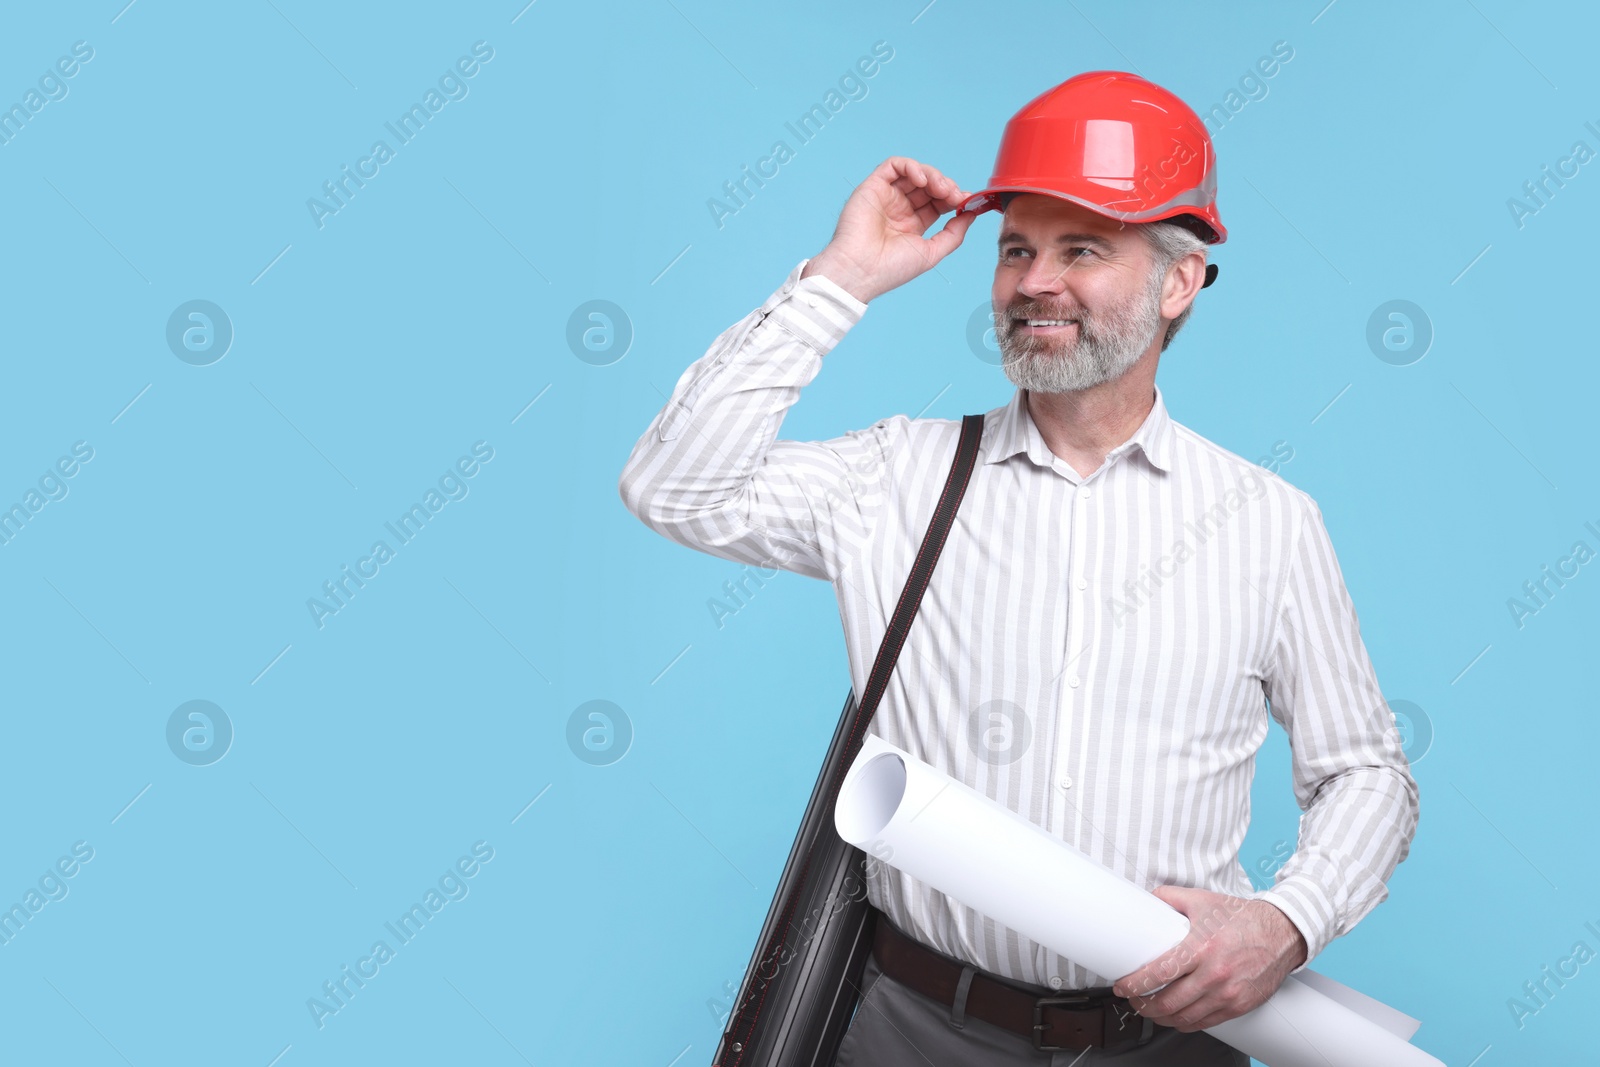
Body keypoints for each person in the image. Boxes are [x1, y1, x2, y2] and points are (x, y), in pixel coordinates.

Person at [619, 71, 1419, 1066]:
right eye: (1015, 249)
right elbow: (674, 487)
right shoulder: (894, 478)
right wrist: (840, 278)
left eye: (1081, 248)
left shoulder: (1267, 525)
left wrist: (1287, 920)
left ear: (1178, 281)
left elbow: (1363, 772)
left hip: (1166, 1044)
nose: (1035, 280)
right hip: (916, 1030)